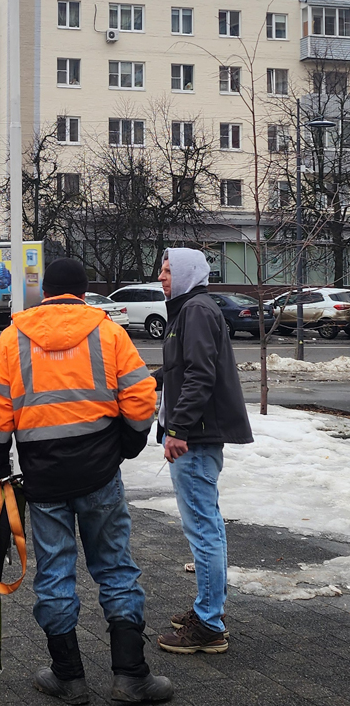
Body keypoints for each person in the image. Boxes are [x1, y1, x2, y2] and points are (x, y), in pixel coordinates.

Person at [0, 257, 172, 704]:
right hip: (99, 474)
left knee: (55, 573)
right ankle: (131, 677)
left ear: (44, 292)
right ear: (83, 292)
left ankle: (69, 677)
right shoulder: (108, 332)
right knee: (116, 568)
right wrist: (126, 443)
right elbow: (142, 394)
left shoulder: (13, 338)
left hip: (44, 478)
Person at [155, 248, 253, 654]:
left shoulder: (195, 310)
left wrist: (178, 428)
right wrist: (151, 381)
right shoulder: (192, 309)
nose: (161, 276)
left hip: (193, 437)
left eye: (167, 270)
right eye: (161, 270)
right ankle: (210, 608)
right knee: (208, 524)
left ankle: (209, 625)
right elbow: (183, 368)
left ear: (188, 273)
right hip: (198, 433)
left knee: (203, 530)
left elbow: (200, 373)